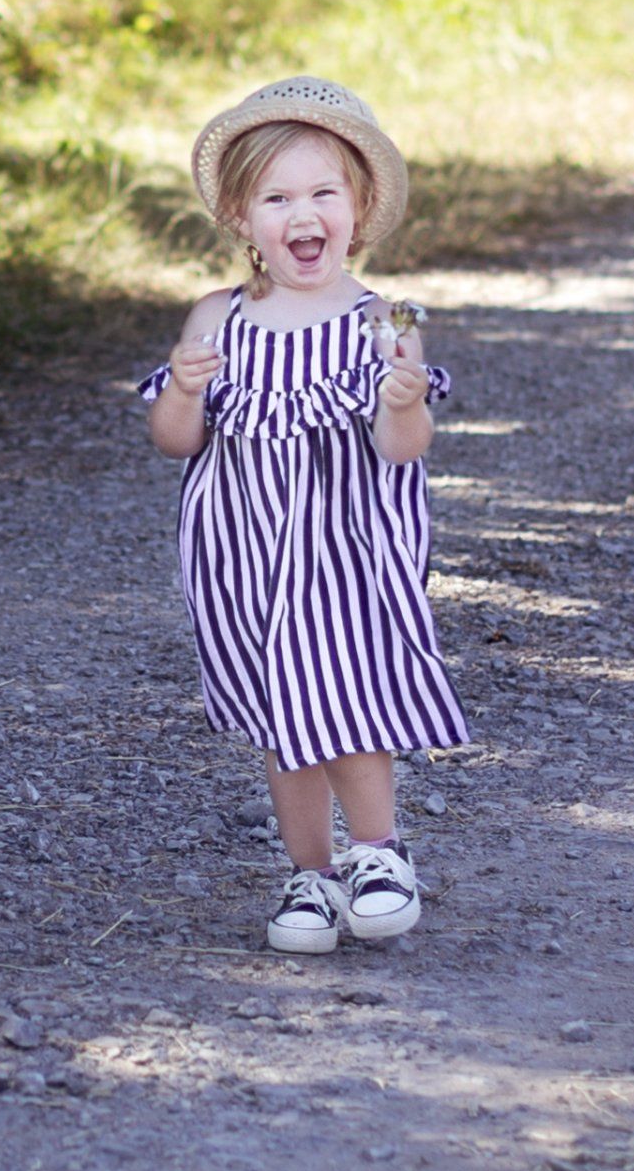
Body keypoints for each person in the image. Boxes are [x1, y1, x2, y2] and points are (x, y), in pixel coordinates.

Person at [140, 77, 470, 955]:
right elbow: (175, 441)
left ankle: (380, 853)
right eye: (276, 198)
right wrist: (181, 389)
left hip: (347, 554)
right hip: (243, 557)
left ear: (358, 210)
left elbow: (403, 449)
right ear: (240, 218)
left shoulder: (384, 320)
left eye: (324, 192)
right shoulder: (216, 318)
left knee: (344, 694)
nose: (303, 214)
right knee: (284, 719)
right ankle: (311, 873)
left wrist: (402, 400)